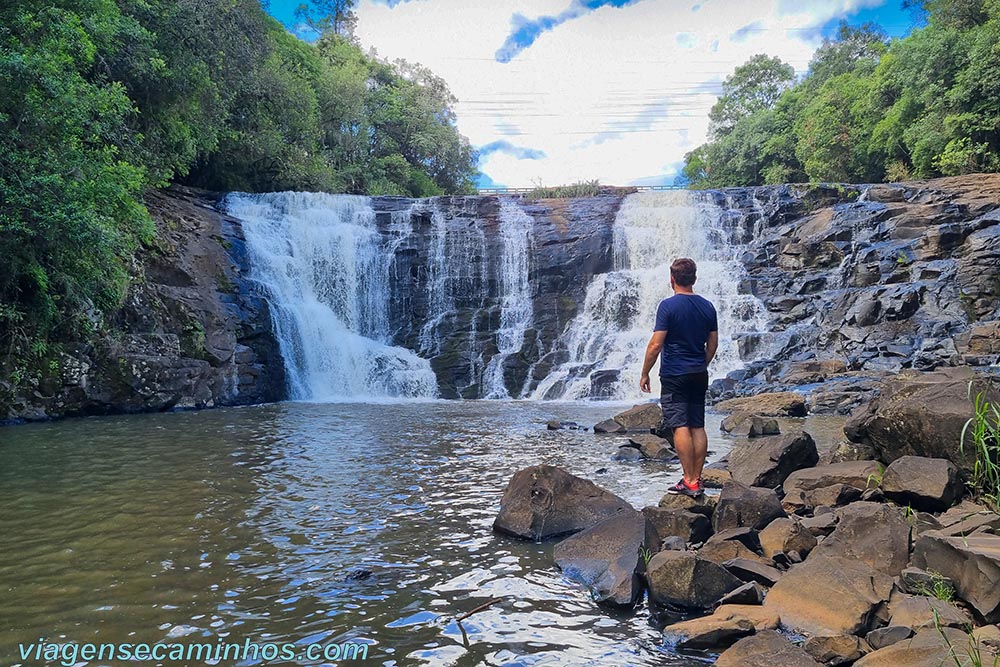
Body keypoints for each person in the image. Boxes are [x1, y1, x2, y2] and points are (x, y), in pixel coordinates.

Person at [639, 257, 718, 498]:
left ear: (672, 279)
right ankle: (698, 478)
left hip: (674, 374)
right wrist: (701, 363)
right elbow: (713, 343)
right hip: (698, 373)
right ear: (694, 278)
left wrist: (645, 372)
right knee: (697, 425)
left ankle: (689, 480)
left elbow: (655, 344)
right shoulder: (707, 306)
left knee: (680, 425)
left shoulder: (668, 306)